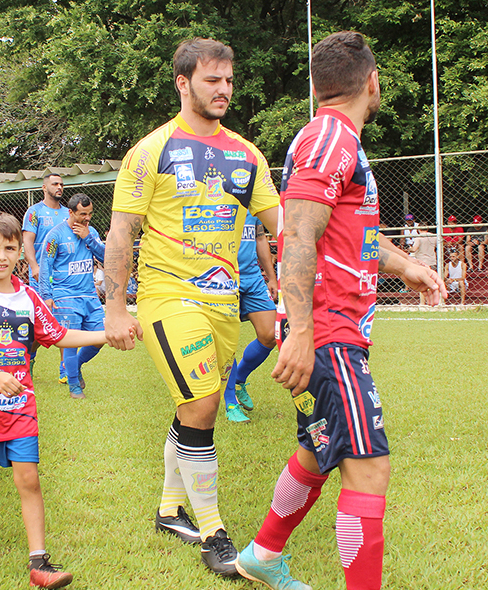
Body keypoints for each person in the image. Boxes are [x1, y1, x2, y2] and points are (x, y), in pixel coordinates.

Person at [235, 32, 446, 590]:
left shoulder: (334, 138)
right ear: (371, 81)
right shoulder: (331, 136)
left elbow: (348, 234)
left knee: (319, 445)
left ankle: (261, 553)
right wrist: (301, 331)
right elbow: (299, 236)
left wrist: (406, 267)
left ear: (315, 85)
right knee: (369, 466)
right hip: (327, 331)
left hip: (324, 328)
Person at [104, 37, 280, 578]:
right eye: (212, 80)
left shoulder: (248, 154)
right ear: (183, 83)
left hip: (223, 304)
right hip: (166, 296)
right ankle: (214, 535)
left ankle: (168, 510)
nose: (224, 89)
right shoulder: (150, 151)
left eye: (229, 80)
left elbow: (283, 228)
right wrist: (115, 305)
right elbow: (121, 229)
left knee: (192, 408)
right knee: (204, 403)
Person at [0, 211, 106, 589]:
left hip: (21, 406)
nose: (0, 256)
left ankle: (40, 562)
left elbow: (59, 334)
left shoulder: (28, 296)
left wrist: (106, 334)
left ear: (20, 251)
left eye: (8, 248)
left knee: (29, 479)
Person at [38, 193, 106, 399]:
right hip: (65, 296)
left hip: (89, 296)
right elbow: (45, 266)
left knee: (101, 336)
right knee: (70, 341)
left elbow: (105, 257)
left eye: (90, 214)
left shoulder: (91, 232)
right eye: (82, 214)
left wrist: (88, 238)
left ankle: (74, 366)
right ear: (71, 212)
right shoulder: (55, 235)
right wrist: (46, 295)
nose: (87, 218)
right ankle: (74, 386)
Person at [223, 212, 278, 423]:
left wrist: (271, 277)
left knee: (270, 334)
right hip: (222, 276)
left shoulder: (254, 202)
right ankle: (230, 403)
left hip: (253, 277)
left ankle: (239, 378)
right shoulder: (217, 193)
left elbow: (260, 238)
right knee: (227, 342)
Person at [22, 173, 69, 376]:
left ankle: (66, 370)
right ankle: (29, 362)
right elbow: (28, 242)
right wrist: (34, 266)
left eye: (61, 184)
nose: (59, 187)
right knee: (37, 326)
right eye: (55, 184)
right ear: (44, 187)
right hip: (42, 279)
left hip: (64, 278)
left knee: (67, 323)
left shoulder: (69, 213)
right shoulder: (35, 212)